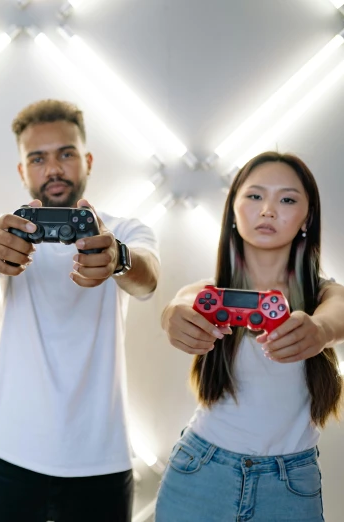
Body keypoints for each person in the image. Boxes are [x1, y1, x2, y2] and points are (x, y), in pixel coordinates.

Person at [0, 99, 161, 522]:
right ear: (22, 171)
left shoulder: (123, 230)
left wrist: (117, 257)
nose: (53, 169)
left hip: (101, 457)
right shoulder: (1, 231)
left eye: (65, 154)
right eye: (38, 158)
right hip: (11, 450)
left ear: (86, 160)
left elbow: (147, 279)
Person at [155, 151, 344, 521]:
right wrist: (170, 317)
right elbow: (180, 304)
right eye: (255, 196)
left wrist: (319, 331)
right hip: (199, 471)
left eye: (287, 199)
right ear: (233, 210)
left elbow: (339, 314)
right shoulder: (207, 293)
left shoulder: (324, 296)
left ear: (307, 218)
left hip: (291, 483)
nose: (268, 209)